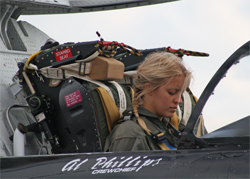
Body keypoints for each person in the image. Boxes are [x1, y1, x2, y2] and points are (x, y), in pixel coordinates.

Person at [104, 52, 192, 151]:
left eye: (181, 94)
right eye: (171, 92)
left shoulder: (167, 129)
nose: (179, 101)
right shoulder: (131, 135)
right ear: (149, 89)